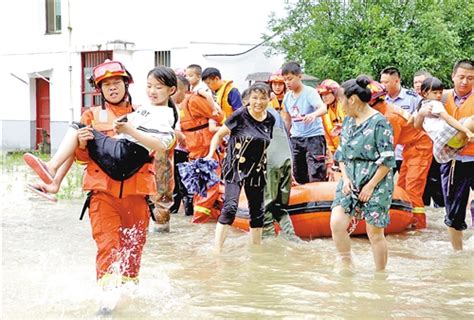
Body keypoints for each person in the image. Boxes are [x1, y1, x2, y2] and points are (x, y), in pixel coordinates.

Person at [25, 60, 172, 312]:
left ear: (126, 85)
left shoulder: (145, 113)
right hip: (103, 195)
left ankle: (127, 305)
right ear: (99, 90)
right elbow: (82, 158)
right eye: (106, 85)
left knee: (133, 254)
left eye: (116, 83)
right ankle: (105, 307)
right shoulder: (90, 117)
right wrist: (82, 145)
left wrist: (165, 200)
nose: (112, 88)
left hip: (137, 196)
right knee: (108, 248)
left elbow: (161, 155)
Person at [330, 75, 395, 272]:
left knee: (374, 233)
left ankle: (380, 275)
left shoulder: (380, 122)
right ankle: (346, 263)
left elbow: (387, 159)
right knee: (337, 223)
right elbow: (341, 153)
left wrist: (371, 185)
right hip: (350, 178)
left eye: (341, 99)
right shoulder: (349, 121)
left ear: (352, 100)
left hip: (376, 180)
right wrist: (346, 178)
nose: (339, 104)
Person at [206, 82, 275, 253]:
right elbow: (218, 135)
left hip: (257, 170)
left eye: (263, 98)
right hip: (235, 167)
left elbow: (267, 145)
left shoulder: (270, 119)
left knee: (258, 212)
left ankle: (256, 251)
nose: (258, 102)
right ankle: (217, 251)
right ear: (248, 99)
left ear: (269, 99)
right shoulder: (240, 115)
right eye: (255, 98)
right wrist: (210, 155)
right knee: (230, 208)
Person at [416, 60, 474, 250]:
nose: (465, 82)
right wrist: (422, 113)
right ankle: (458, 254)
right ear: (453, 76)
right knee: (453, 211)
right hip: (453, 161)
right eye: (461, 77)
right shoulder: (439, 96)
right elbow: (416, 126)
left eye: (470, 78)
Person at [367, 79, 433, 229]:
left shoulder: (390, 117)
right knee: (401, 187)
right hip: (409, 148)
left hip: (420, 147)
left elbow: (388, 148)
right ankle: (406, 221)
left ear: (373, 102)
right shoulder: (385, 111)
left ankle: (419, 227)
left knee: (412, 189)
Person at [177, 75, 225, 223]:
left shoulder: (194, 100)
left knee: (208, 184)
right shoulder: (177, 106)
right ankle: (202, 219)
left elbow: (218, 116)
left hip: (205, 148)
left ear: (180, 89)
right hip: (195, 150)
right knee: (200, 186)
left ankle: (199, 220)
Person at [280, 61, 328, 184]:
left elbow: (323, 108)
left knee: (316, 172)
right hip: (296, 138)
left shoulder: (310, 92)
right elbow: (287, 119)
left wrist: (313, 115)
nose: (287, 83)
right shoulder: (287, 97)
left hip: (313, 137)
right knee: (298, 173)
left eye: (290, 79)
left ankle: (318, 201)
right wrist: (284, 137)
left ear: (299, 76)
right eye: (285, 80)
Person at [380, 66, 420, 172]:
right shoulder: (379, 100)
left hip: (408, 151)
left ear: (396, 81)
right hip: (388, 152)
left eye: (386, 82)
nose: (383, 86)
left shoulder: (413, 98)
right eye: (381, 82)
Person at [316, 79, 345, 181]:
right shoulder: (324, 112)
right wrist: (331, 156)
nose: (324, 97)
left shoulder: (344, 106)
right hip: (336, 151)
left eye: (327, 94)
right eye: (322, 95)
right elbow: (327, 137)